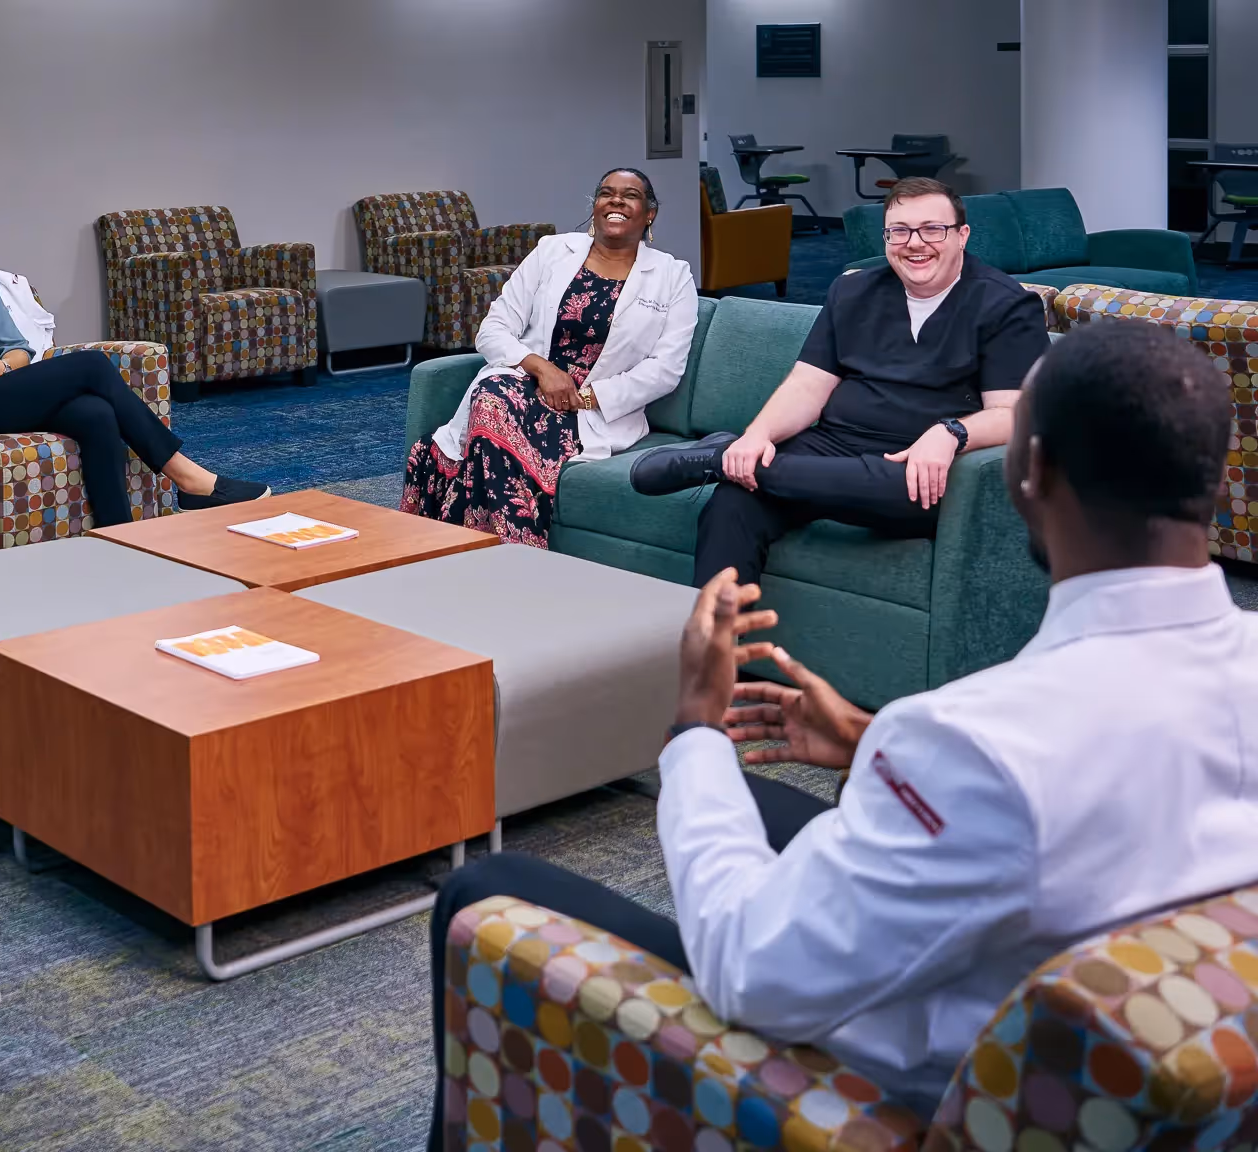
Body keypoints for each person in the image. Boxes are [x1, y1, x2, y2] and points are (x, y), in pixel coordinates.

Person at [429, 320, 1258, 1128]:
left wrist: (692, 727)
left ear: (1030, 471)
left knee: (484, 891)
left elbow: (749, 970)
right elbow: (1093, 792)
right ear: (1212, 479)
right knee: (753, 802)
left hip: (887, 1083)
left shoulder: (975, 741)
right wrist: (874, 742)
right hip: (1112, 1032)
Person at [630, 177, 1051, 587]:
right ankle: (716, 651)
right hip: (835, 443)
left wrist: (951, 431)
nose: (915, 243)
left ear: (962, 235)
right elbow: (807, 386)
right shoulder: (853, 291)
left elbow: (1011, 413)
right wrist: (756, 436)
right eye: (899, 231)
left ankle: (719, 460)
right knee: (734, 502)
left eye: (932, 229)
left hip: (915, 461)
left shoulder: (1007, 305)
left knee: (909, 491)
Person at [0, 178, 270, 527]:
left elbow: (19, 349)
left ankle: (119, 536)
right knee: (91, 365)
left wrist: (1, 363)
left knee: (95, 413)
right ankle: (189, 478)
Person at [402, 168, 696, 547]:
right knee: (492, 400)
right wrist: (542, 369)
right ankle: (505, 556)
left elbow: (665, 370)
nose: (616, 201)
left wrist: (584, 397)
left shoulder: (673, 276)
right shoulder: (552, 251)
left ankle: (467, 553)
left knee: (478, 427)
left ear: (649, 213)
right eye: (606, 193)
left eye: (630, 195)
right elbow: (492, 329)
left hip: (591, 411)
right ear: (595, 207)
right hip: (521, 385)